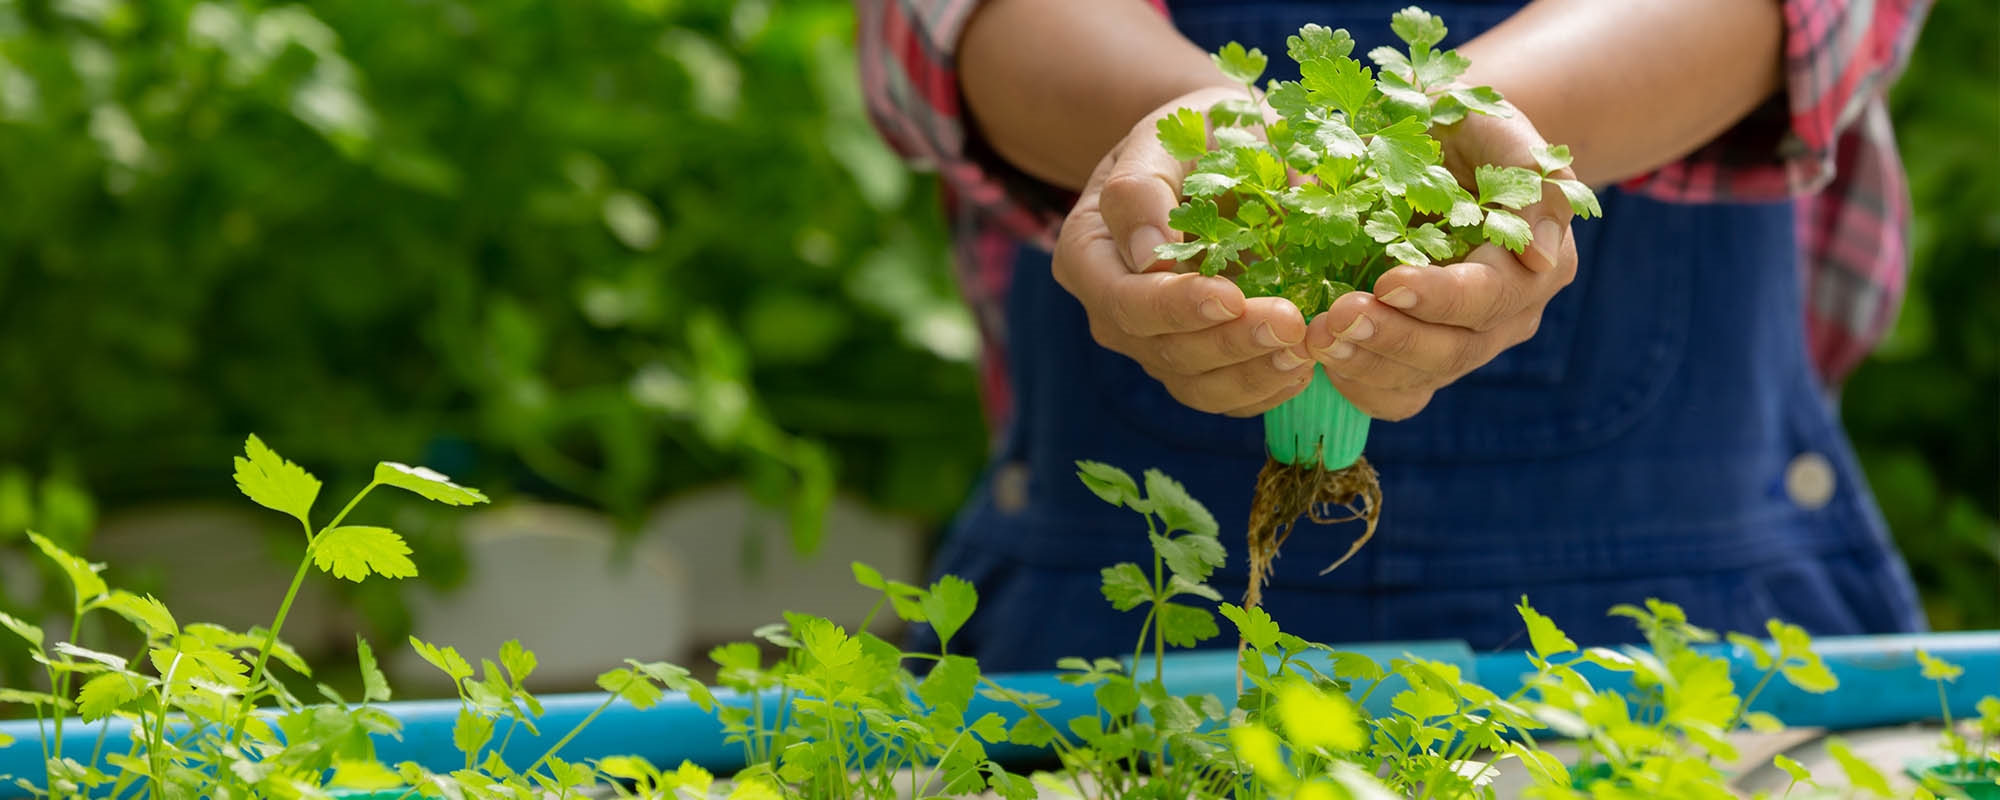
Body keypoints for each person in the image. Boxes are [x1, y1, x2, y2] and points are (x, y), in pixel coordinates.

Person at [854, 0, 1934, 673]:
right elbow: (939, 18)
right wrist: (1188, 127)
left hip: (1689, 588)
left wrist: (1493, 131)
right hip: (1106, 602)